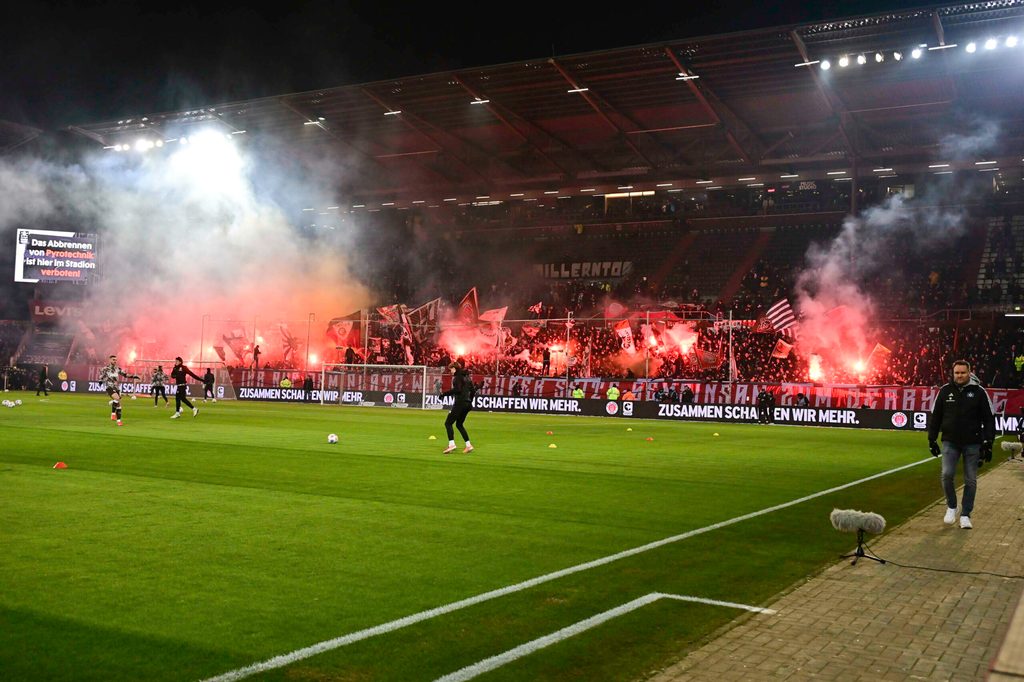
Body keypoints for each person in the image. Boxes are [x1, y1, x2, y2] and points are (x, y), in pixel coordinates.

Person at [928, 360, 995, 529]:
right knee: (946, 474)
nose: (959, 376)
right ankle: (952, 506)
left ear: (969, 373)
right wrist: (932, 439)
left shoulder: (979, 392)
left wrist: (988, 442)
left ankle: (965, 514)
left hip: (973, 443)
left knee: (970, 480)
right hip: (950, 441)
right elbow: (936, 416)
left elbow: (988, 419)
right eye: (957, 373)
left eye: (963, 373)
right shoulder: (945, 391)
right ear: (953, 373)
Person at [440, 360, 475, 454]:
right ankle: (468, 445)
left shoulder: (457, 378)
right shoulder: (467, 377)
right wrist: (469, 401)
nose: (450, 371)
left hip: (460, 403)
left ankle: (451, 444)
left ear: (454, 369)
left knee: (448, 423)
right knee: (459, 424)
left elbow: (457, 390)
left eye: (450, 369)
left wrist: (444, 394)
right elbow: (473, 390)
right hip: (467, 404)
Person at [98, 354, 140, 426]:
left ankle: (119, 421)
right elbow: (101, 376)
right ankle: (113, 414)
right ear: (110, 360)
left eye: (116, 360)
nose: (115, 361)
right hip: (109, 387)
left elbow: (125, 374)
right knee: (117, 398)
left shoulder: (117, 369)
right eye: (113, 360)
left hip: (116, 387)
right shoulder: (105, 369)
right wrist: (100, 382)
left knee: (119, 405)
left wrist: (133, 376)